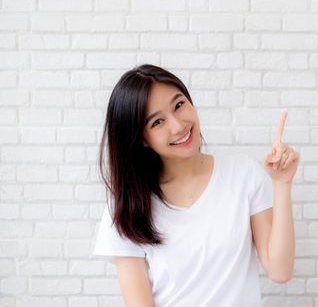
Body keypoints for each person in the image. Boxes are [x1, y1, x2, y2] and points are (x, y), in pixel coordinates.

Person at [92, 64, 299, 307]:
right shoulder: (126, 208)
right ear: (141, 139)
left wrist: (282, 185)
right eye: (157, 122)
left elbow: (279, 270)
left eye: (179, 105)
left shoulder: (244, 175)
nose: (179, 126)